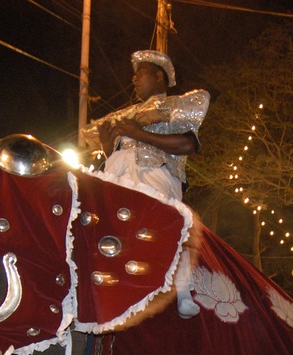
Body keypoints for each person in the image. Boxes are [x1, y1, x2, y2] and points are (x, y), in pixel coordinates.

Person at [82, 49, 210, 318]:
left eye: (141, 73)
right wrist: (108, 146)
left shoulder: (174, 107)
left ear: (160, 77)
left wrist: (138, 133)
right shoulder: (123, 114)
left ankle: (183, 291)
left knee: (169, 224)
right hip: (119, 175)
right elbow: (111, 152)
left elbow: (187, 143)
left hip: (156, 173)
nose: (134, 79)